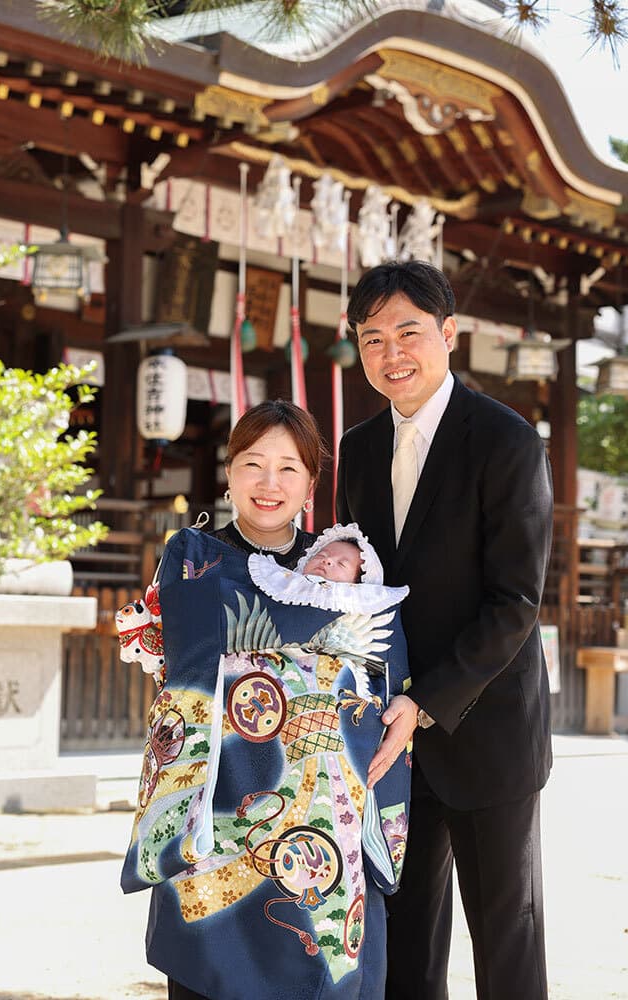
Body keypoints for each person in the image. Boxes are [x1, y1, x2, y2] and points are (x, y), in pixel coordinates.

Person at [120, 401, 412, 1000]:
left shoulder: (348, 569)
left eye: (288, 468)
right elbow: (184, 661)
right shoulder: (192, 552)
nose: (269, 483)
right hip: (216, 805)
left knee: (322, 967)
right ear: (229, 473)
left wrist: (401, 704)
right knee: (211, 970)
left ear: (311, 482)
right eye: (253, 464)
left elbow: (382, 668)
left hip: (325, 821)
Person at [336, 260, 553, 1000]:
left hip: (486, 728)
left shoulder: (507, 441)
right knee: (401, 944)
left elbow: (516, 601)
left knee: (506, 940)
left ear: (449, 333)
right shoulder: (357, 450)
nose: (391, 353)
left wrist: (424, 700)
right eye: (371, 339)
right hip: (389, 743)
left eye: (408, 331)